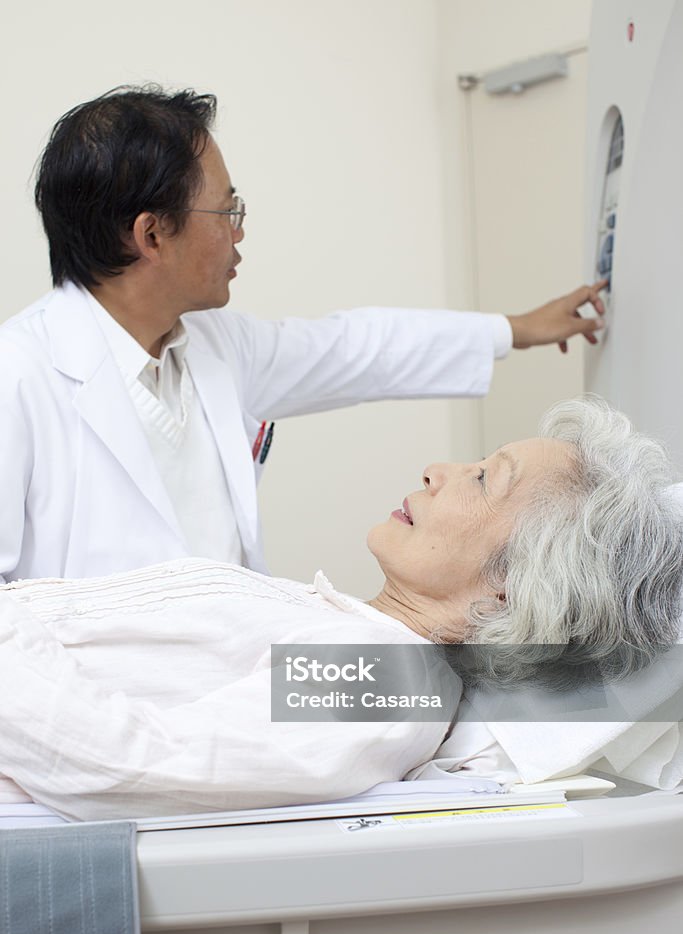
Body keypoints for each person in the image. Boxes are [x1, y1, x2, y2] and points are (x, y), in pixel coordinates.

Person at [0, 85, 607, 584]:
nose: (239, 233)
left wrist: (516, 329)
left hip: (233, 685)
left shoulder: (213, 346)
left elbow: (357, 349)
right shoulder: (20, 377)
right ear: (152, 235)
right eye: (227, 211)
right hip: (100, 717)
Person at [0, 397, 680, 822]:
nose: (437, 470)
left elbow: (131, 765)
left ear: (515, 581)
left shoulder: (386, 677)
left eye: (481, 478)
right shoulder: (364, 640)